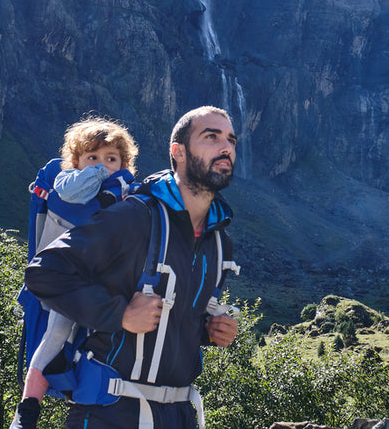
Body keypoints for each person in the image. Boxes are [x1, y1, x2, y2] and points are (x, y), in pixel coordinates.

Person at [24, 106, 240, 429]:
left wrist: (212, 329)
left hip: (181, 417)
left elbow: (178, 315)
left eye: (231, 140)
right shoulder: (136, 216)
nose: (225, 147)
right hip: (109, 413)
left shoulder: (219, 242)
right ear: (177, 152)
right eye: (211, 137)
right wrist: (121, 314)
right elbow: (43, 272)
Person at [11, 116, 140, 429]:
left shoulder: (125, 191)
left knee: (77, 346)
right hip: (67, 283)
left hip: (97, 288)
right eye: (92, 157)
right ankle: (27, 410)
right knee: (56, 337)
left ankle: (56, 407)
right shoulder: (67, 182)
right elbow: (74, 195)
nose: (102, 164)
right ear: (75, 161)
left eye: (111, 159)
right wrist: (98, 174)